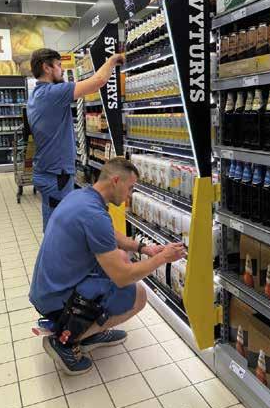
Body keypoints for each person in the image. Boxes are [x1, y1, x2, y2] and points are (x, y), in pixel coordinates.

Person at [29, 157, 186, 375]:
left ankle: (90, 331)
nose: (130, 195)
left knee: (120, 255)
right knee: (138, 295)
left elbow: (109, 233)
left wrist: (145, 249)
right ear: (115, 181)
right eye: (130, 188)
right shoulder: (94, 215)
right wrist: (162, 259)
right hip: (56, 299)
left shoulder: (82, 196)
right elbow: (122, 277)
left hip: (46, 288)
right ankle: (66, 339)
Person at [27, 48, 124, 231]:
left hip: (47, 171)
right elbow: (98, 81)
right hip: (56, 175)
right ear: (46, 68)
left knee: (54, 222)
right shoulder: (52, 93)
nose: (63, 69)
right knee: (59, 228)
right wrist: (112, 60)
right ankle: (56, 250)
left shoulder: (36, 95)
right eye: (59, 65)